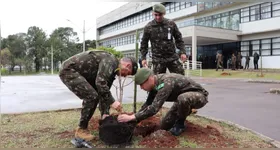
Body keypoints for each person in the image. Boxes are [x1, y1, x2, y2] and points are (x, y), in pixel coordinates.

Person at [59, 50, 138, 141]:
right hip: (69, 70)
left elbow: (104, 92)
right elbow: (100, 83)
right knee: (92, 97)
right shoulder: (111, 61)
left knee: (94, 95)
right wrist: (113, 102)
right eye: (127, 73)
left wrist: (105, 113)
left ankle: (83, 127)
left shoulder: (112, 70)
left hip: (80, 73)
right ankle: (81, 130)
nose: (124, 76)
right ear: (127, 66)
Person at [118, 68, 209, 136]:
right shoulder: (154, 86)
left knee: (183, 98)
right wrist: (134, 120)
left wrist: (132, 117)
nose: (141, 88)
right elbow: (148, 105)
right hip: (180, 101)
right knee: (164, 126)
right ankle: (184, 110)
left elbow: (154, 108)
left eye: (142, 84)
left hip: (199, 96)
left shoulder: (166, 82)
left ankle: (180, 124)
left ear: (150, 78)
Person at [140, 3, 187, 75]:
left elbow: (178, 38)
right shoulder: (149, 27)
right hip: (158, 59)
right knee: (158, 83)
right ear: (153, 13)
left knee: (181, 78)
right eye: (156, 15)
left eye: (160, 15)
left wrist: (182, 52)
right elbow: (144, 44)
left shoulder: (170, 24)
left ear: (164, 14)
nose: (158, 17)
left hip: (172, 57)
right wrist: (143, 58)